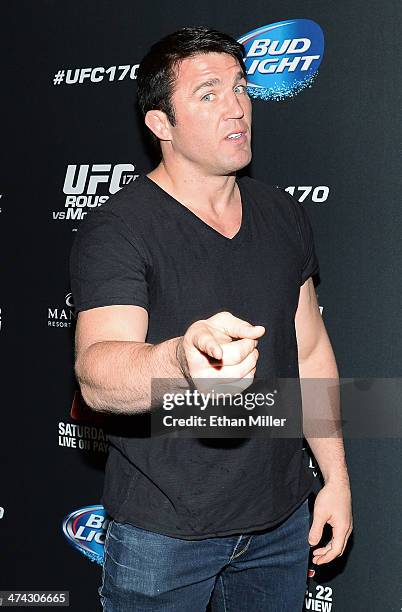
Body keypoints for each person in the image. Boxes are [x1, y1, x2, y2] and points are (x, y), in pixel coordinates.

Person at [69, 26, 353, 612]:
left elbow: (312, 351)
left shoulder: (284, 214)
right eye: (208, 93)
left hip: (280, 526)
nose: (236, 107)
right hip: (162, 536)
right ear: (160, 125)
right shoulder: (118, 228)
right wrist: (180, 359)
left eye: (241, 88)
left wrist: (336, 479)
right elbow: (98, 373)